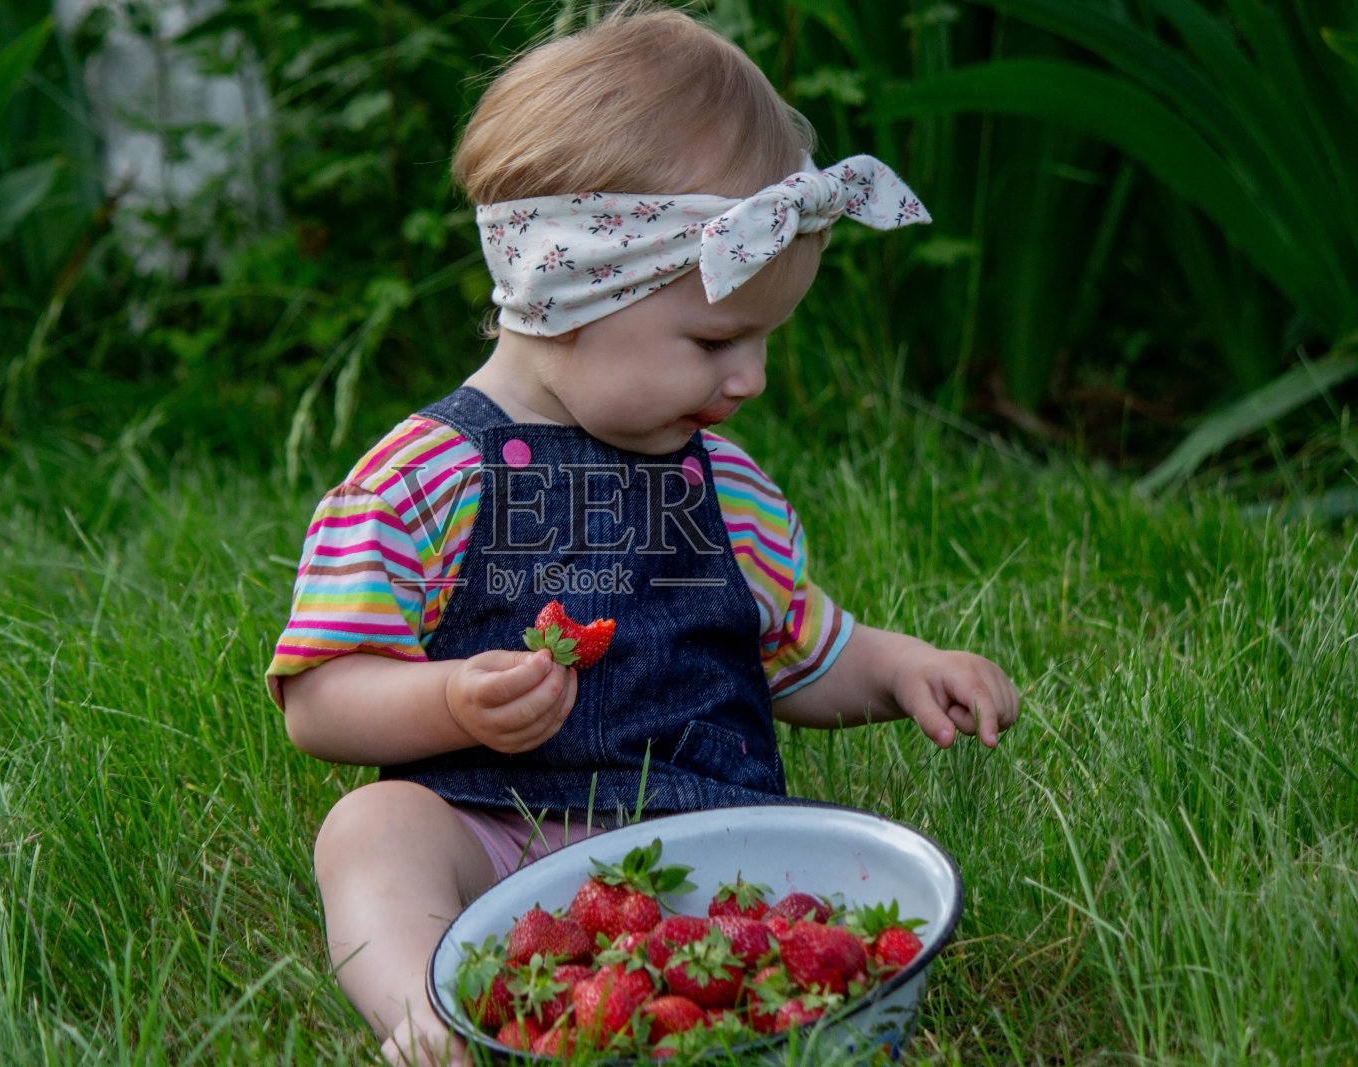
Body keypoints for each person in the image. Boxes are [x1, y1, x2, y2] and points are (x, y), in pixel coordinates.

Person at [267, 5, 1019, 1063]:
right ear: (568, 290)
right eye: (717, 338)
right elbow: (320, 694)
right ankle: (428, 1013)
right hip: (499, 840)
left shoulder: (728, 485)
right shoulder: (422, 478)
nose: (749, 377)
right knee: (370, 829)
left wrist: (899, 668)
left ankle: (764, 1009)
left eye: (763, 340)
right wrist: (449, 700)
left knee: (854, 866)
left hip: (709, 850)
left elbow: (794, 655)